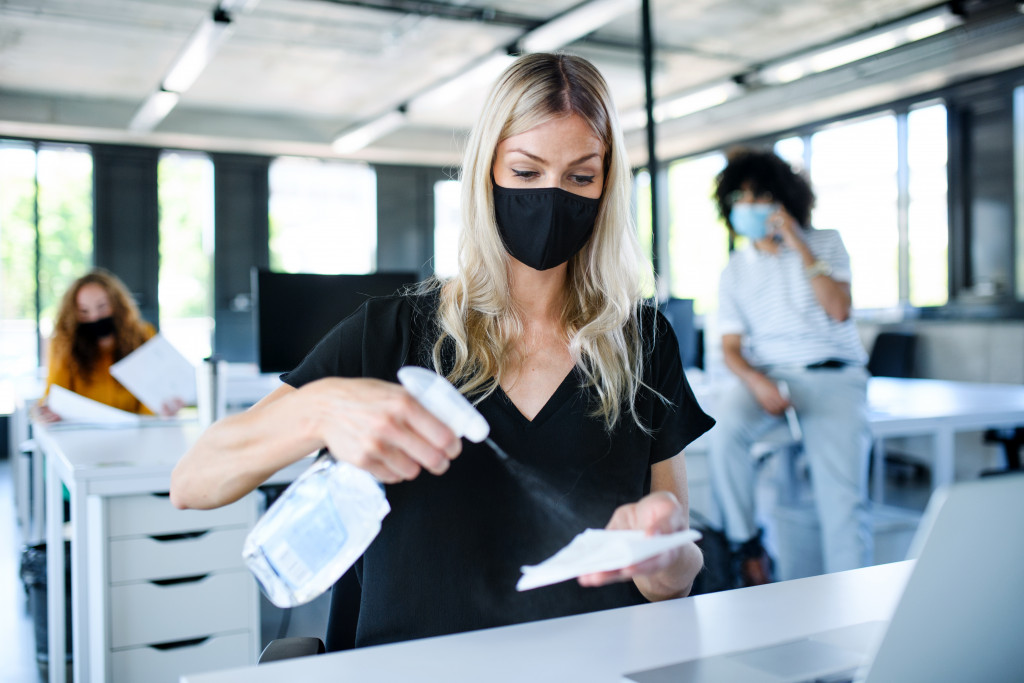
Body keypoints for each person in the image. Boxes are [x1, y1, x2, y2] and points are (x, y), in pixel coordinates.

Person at [171, 52, 715, 649]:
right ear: (486, 174)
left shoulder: (640, 342)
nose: (552, 197)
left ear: (607, 186)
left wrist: (660, 555)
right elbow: (195, 482)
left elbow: (674, 579)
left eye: (580, 177)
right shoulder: (392, 333)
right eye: (526, 172)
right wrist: (320, 409)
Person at [706, 148, 871, 586]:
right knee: (723, 432)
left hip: (833, 375)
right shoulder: (734, 270)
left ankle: (856, 600)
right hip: (771, 376)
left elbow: (838, 310)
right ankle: (748, 549)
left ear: (781, 200)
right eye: (738, 198)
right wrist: (757, 382)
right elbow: (730, 348)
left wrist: (798, 241)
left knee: (841, 499)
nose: (747, 207)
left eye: (758, 197)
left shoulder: (825, 242)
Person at [33, 268, 183, 422]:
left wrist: (162, 411)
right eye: (84, 311)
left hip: (135, 432)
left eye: (102, 307)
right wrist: (45, 412)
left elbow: (152, 397)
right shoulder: (64, 344)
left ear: (117, 304)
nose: (95, 317)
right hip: (83, 434)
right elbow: (55, 395)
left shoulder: (143, 336)